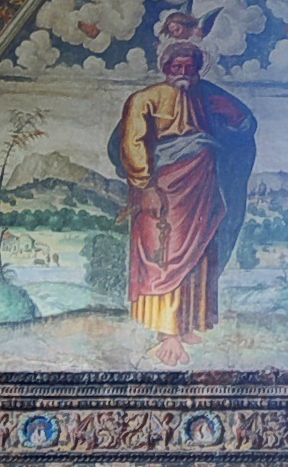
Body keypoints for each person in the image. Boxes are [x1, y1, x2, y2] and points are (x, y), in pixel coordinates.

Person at [108, 18, 255, 349]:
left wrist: (236, 118)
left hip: (201, 186)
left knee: (199, 252)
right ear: (165, 67)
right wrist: (144, 186)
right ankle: (166, 331)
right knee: (164, 254)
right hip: (162, 188)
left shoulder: (205, 98)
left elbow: (242, 126)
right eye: (177, 65)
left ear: (198, 68)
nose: (183, 71)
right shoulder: (145, 98)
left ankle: (189, 320)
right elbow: (132, 143)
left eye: (190, 65)